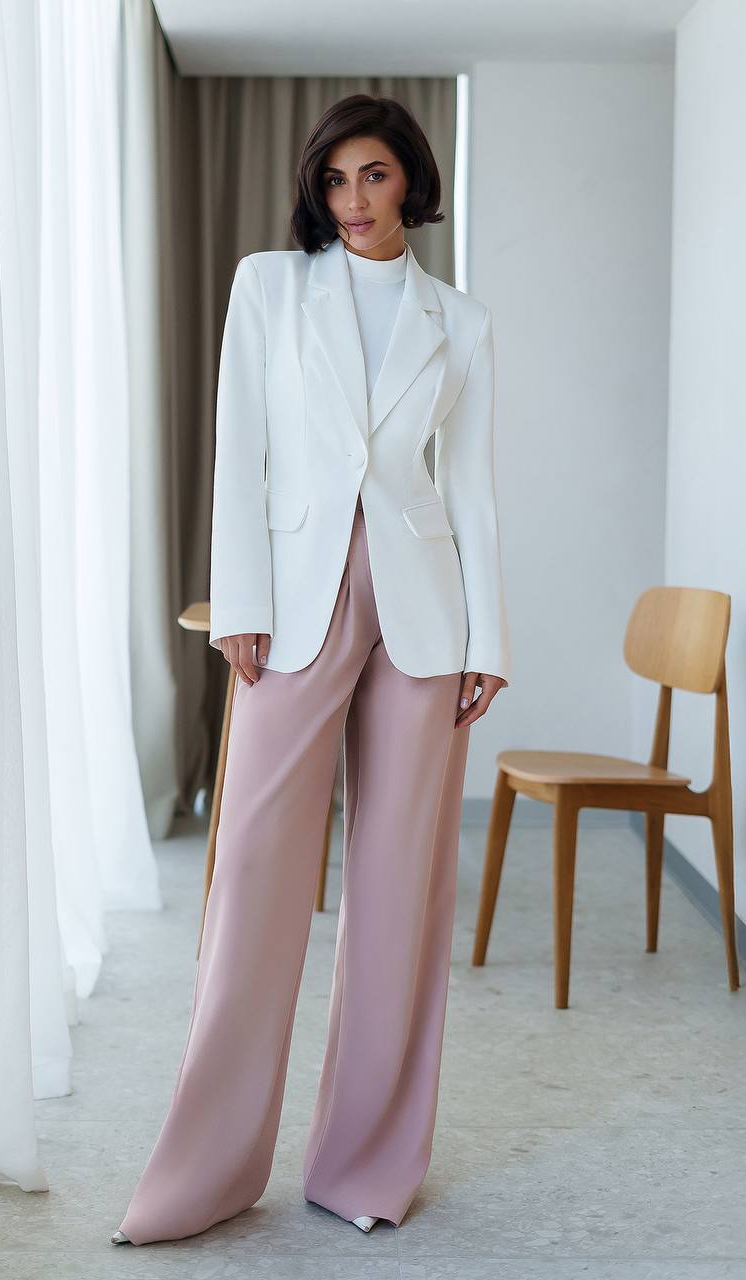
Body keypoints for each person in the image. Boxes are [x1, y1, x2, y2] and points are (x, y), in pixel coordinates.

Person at [113, 92, 511, 1247]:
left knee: (399, 894)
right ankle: (204, 1170)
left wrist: (490, 641)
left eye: (375, 177)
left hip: (424, 614)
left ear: (411, 183)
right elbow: (242, 443)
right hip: (291, 601)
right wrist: (238, 598)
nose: (352, 201)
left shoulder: (463, 321)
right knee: (251, 876)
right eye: (335, 180)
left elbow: (471, 486)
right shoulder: (265, 285)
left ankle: (366, 1164)